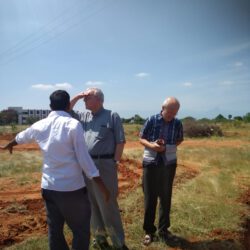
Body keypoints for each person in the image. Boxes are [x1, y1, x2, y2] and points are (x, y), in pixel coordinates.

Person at [0, 90, 110, 250]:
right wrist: (101, 185)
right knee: (80, 230)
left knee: (55, 230)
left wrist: (8, 145)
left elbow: (21, 137)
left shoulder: (40, 125)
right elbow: (84, 159)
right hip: (71, 189)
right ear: (67, 106)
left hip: (49, 188)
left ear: (50, 106)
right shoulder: (73, 125)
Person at [70, 87, 128, 250]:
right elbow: (67, 109)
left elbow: (120, 141)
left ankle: (118, 243)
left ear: (99, 100)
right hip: (86, 166)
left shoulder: (112, 116)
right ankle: (100, 238)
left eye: (88, 98)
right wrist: (79, 95)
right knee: (92, 205)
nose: (84, 101)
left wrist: (114, 162)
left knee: (108, 203)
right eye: (84, 98)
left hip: (105, 165)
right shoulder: (83, 116)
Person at [139, 97, 183, 246]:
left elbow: (179, 139)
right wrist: (152, 146)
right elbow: (141, 138)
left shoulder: (177, 123)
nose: (171, 115)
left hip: (169, 164)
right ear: (162, 108)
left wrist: (168, 147)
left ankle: (163, 230)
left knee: (166, 197)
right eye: (169, 111)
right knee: (150, 198)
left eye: (175, 112)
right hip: (151, 163)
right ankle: (149, 231)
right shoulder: (151, 120)